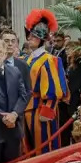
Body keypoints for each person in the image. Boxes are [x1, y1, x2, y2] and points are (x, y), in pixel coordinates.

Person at [22, 9, 69, 153]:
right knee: (28, 147)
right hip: (26, 109)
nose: (30, 37)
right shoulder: (27, 59)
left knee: (44, 146)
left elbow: (56, 90)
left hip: (40, 109)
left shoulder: (51, 60)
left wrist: (48, 110)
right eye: (29, 34)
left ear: (42, 39)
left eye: (34, 36)